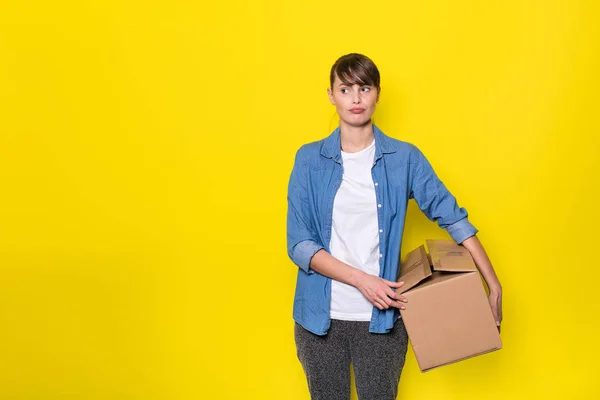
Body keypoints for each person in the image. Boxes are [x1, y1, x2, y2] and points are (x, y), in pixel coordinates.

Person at [286, 53, 503, 400]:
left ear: (377, 94)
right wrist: (362, 280)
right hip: (319, 319)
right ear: (331, 95)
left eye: (364, 88)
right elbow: (299, 244)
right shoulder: (308, 160)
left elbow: (453, 217)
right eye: (345, 89)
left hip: (383, 319)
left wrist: (493, 285)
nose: (355, 99)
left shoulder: (405, 158)